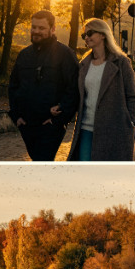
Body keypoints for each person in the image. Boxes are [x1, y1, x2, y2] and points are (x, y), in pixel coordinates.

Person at [8, 10, 79, 161]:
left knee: (42, 162)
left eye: (41, 28)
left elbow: (73, 89)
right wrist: (17, 117)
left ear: (52, 29)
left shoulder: (65, 54)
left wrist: (59, 119)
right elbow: (13, 86)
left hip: (50, 125)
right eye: (34, 27)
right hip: (26, 124)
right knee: (38, 161)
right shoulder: (24, 55)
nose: (36, 31)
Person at [67, 18, 135, 162]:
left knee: (110, 176)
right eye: (84, 35)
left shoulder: (121, 62)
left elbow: (132, 96)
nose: (86, 37)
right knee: (86, 174)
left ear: (102, 34)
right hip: (86, 128)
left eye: (90, 33)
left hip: (114, 130)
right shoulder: (84, 64)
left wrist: (131, 122)